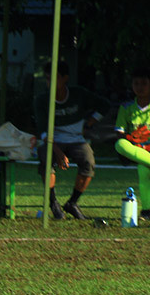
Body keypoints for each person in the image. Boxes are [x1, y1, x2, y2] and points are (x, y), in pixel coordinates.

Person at [33, 61, 110, 220]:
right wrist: (58, 152)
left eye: (54, 78)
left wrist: (89, 124)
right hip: (52, 141)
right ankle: (53, 202)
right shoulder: (42, 100)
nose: (50, 82)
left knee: (88, 161)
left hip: (77, 140)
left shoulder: (78, 94)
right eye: (47, 79)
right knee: (46, 158)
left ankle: (72, 203)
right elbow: (42, 131)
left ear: (65, 78)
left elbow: (104, 105)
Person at [114, 66, 150, 217]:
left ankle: (147, 210)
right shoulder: (126, 107)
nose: (140, 87)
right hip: (134, 149)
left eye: (144, 83)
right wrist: (133, 139)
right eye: (136, 83)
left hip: (146, 154)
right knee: (119, 145)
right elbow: (120, 134)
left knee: (144, 170)